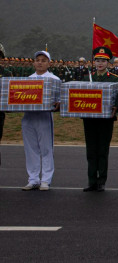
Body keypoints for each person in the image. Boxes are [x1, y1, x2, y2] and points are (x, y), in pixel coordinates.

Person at [82, 46, 118, 192]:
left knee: (102, 150)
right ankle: (92, 180)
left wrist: (116, 108)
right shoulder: (87, 78)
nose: (100, 63)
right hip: (89, 119)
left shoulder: (114, 78)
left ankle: (101, 181)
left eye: (103, 61)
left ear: (108, 63)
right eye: (97, 60)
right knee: (91, 151)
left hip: (106, 120)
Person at [21, 50, 60, 191]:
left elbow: (59, 99)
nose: (40, 63)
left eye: (44, 60)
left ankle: (45, 180)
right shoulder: (27, 79)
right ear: (34, 62)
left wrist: (59, 103)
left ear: (49, 63)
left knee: (46, 149)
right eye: (38, 60)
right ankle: (33, 179)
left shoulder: (54, 79)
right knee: (30, 149)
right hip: (28, 117)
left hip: (44, 117)